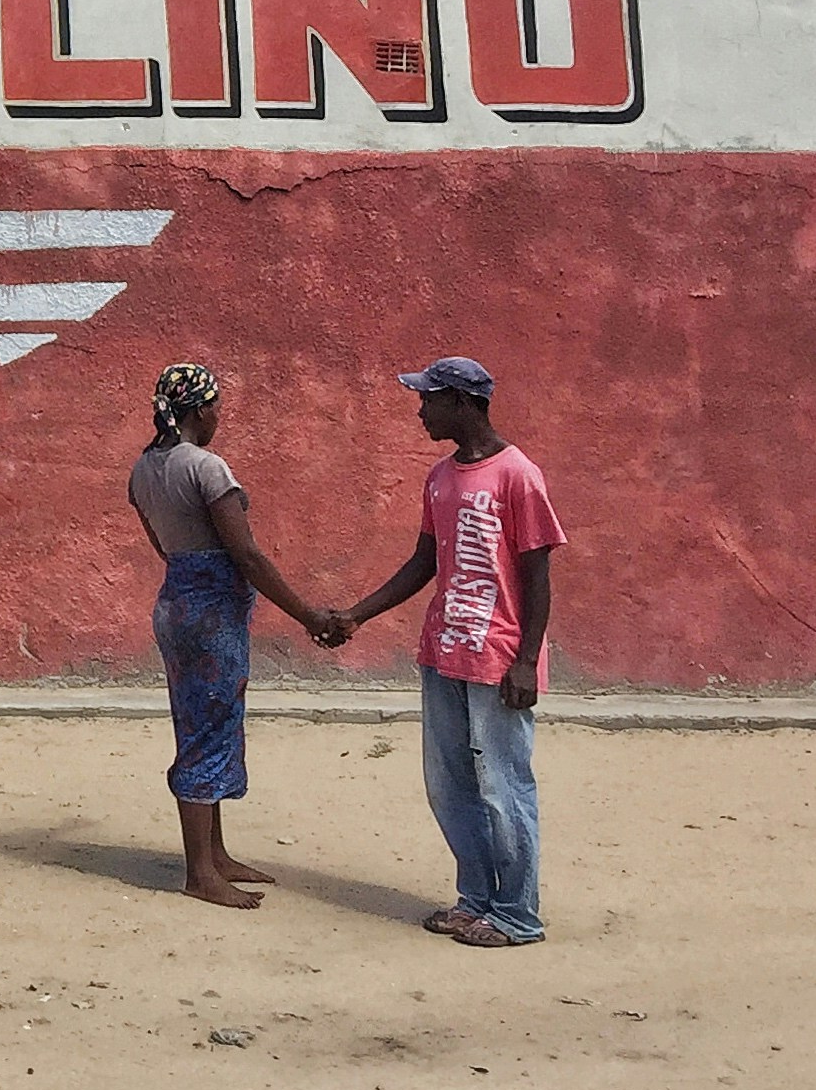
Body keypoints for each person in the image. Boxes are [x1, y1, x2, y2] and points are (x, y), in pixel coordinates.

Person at [334, 356, 567, 947]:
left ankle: (517, 915)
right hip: (445, 653)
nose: (420, 410)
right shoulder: (439, 476)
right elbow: (423, 563)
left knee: (503, 785)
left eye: (428, 399)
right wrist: (356, 615)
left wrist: (525, 659)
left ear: (462, 404)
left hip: (498, 660)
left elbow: (537, 575)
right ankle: (476, 899)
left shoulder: (518, 475)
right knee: (450, 783)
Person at [125, 363, 347, 911]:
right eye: (216, 407)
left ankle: (215, 854)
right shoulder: (207, 468)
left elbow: (163, 545)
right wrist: (307, 614)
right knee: (210, 727)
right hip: (212, 615)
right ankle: (201, 871)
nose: (219, 416)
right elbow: (246, 553)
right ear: (203, 411)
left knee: (203, 721)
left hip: (177, 602)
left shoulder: (143, 469)